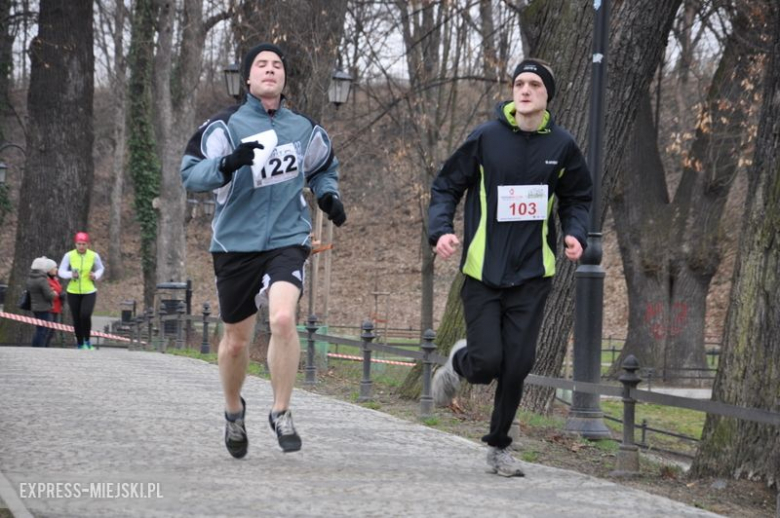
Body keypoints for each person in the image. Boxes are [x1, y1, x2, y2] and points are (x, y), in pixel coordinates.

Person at [181, 42, 347, 459]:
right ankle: (234, 412)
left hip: (287, 239)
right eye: (262, 65)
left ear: (283, 78)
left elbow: (323, 165)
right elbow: (190, 175)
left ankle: (281, 410)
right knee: (236, 342)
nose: (271, 70)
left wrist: (327, 195)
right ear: (248, 78)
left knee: (284, 317)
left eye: (277, 65)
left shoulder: (303, 128)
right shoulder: (224, 126)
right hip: (235, 243)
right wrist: (227, 163)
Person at [428, 59, 592, 477]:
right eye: (519, 83)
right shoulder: (486, 137)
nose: (524, 90)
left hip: (533, 274)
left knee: (517, 366)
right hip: (484, 271)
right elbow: (447, 183)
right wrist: (441, 230)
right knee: (486, 365)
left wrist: (576, 233)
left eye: (534, 84)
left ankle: (499, 447)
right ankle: (461, 359)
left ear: (546, 95)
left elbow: (578, 198)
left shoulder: (562, 146)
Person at [59, 232, 105, 350]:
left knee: (85, 315)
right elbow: (61, 271)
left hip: (89, 290)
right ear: (75, 244)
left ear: (88, 244)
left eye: (84, 244)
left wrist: (95, 275)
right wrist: (71, 274)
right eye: (79, 244)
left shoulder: (93, 255)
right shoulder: (69, 255)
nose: (81, 246)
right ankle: (80, 343)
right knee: (76, 317)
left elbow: (101, 268)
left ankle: (87, 341)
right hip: (73, 291)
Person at [26, 256, 56, 347]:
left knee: (39, 328)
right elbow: (49, 295)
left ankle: (36, 346)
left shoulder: (30, 278)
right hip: (44, 308)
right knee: (42, 330)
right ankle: (38, 347)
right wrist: (53, 293)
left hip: (35, 307)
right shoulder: (42, 280)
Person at [44, 258, 64, 347]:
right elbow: (48, 294)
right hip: (50, 308)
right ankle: (42, 347)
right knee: (47, 330)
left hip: (56, 308)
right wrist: (58, 295)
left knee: (52, 331)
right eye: (54, 268)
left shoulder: (55, 280)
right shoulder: (46, 280)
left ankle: (46, 347)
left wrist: (61, 294)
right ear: (49, 269)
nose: (56, 269)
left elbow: (58, 290)